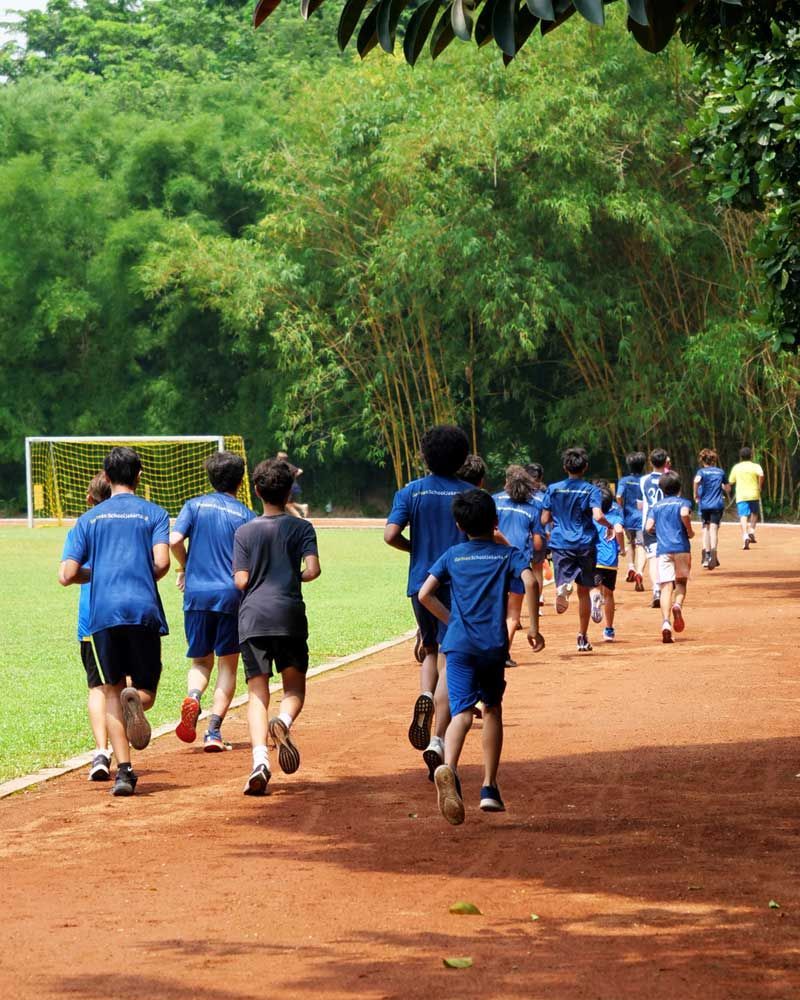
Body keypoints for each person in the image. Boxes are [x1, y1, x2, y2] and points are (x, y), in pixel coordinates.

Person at [418, 489, 544, 825]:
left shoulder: (453, 555)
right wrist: (532, 627)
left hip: (458, 645)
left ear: (459, 524)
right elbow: (530, 583)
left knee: (461, 713)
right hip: (492, 646)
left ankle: (449, 768)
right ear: (495, 521)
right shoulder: (508, 555)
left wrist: (450, 620)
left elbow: (424, 593)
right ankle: (489, 788)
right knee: (491, 709)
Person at [59, 447, 170, 797]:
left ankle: (123, 772)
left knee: (109, 690)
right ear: (139, 476)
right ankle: (136, 698)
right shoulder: (155, 513)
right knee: (145, 690)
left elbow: (66, 574)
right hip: (142, 609)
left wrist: (99, 573)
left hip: (102, 613)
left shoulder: (88, 519)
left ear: (106, 478)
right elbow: (163, 563)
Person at [384, 425, 471, 780]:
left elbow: (390, 535)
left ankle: (424, 693)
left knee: (430, 647)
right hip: (459, 581)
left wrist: (415, 548)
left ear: (424, 456)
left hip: (421, 582)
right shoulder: (469, 494)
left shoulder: (411, 491)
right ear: (463, 458)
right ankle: (436, 739)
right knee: (456, 655)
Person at [234, 459, 321, 795]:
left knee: (257, 692)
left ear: (257, 491)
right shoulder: (302, 528)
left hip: (253, 617)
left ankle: (259, 761)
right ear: (289, 493)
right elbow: (312, 570)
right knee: (294, 689)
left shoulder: (244, 531)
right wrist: (291, 576)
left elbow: (241, 580)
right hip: (289, 615)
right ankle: (282, 723)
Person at [170, 451, 256, 751]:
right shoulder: (247, 515)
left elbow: (174, 540)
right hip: (232, 595)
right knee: (228, 667)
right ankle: (214, 732)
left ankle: (193, 696)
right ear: (241, 480)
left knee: (200, 661)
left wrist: (184, 566)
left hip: (197, 594)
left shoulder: (193, 506)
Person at [61, 472, 112, 781]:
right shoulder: (134, 519)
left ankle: (102, 751)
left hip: (92, 616)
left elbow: (67, 574)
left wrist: (94, 573)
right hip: (131, 613)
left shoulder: (84, 524)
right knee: (125, 682)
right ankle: (129, 715)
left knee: (97, 686)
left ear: (89, 498)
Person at [540, 447, 613, 653]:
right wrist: (609, 526)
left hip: (561, 542)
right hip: (585, 542)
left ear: (565, 467)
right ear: (586, 467)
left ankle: (563, 587)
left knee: (564, 579)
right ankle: (582, 636)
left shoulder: (553, 489)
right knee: (586, 589)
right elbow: (598, 516)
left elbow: (544, 519)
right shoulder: (591, 490)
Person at [493, 465, 543, 665]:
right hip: (519, 562)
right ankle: (504, 653)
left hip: (494, 560)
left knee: (494, 607)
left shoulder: (494, 500)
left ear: (506, 482)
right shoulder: (532, 508)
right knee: (514, 612)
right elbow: (538, 542)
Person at [645, 471, 694, 644]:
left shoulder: (655, 507)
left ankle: (666, 623)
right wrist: (689, 530)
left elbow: (648, 526)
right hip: (681, 548)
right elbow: (684, 513)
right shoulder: (683, 502)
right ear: (679, 487)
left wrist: (659, 532)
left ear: (662, 489)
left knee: (666, 587)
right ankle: (678, 606)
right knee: (680, 583)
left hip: (663, 550)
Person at [590, 486, 626, 642]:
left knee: (593, 587)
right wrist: (622, 548)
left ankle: (595, 597)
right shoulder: (615, 517)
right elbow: (619, 530)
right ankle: (609, 629)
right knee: (609, 594)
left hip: (594, 558)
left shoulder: (593, 517)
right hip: (610, 561)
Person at [639, 448, 670, 609]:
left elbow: (643, 502)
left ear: (650, 462)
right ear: (666, 462)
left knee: (652, 558)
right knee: (666, 557)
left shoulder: (644, 480)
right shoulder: (670, 478)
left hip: (649, 523)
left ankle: (656, 590)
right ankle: (666, 588)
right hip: (666, 523)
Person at [693, 448, 730, 569]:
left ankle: (706, 555)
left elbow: (696, 481)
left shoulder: (701, 472)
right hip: (717, 504)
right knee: (714, 529)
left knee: (705, 529)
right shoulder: (720, 472)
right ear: (714, 460)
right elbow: (728, 488)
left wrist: (696, 495)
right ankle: (714, 553)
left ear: (702, 460)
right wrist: (723, 488)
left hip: (705, 505)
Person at [615, 451, 646, 591]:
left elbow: (618, 495)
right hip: (642, 517)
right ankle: (639, 572)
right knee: (641, 545)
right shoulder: (646, 480)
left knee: (630, 542)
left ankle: (631, 567)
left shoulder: (624, 480)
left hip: (627, 517)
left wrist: (621, 507)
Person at [728, 446, 764, 550]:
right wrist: (759, 485)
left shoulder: (736, 467)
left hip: (741, 495)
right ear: (751, 456)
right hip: (754, 493)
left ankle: (745, 536)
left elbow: (730, 481)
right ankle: (751, 530)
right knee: (755, 513)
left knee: (743, 515)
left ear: (741, 456)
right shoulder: (755, 466)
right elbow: (761, 474)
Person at [277, 451, 309, 519]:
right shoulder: (284, 465)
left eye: (278, 457)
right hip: (291, 486)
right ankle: (302, 507)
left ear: (280, 459)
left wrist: (291, 477)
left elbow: (300, 471)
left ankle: (299, 516)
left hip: (290, 487)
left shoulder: (285, 465)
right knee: (288, 503)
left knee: (286, 504)